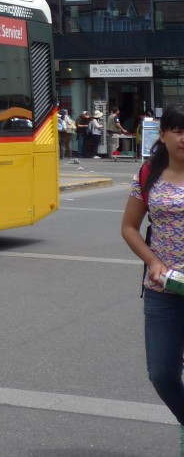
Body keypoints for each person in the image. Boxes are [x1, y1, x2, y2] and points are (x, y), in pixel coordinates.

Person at [120, 103, 184, 453]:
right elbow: (129, 227)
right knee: (161, 373)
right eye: (177, 130)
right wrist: (153, 262)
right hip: (163, 289)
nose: (183, 138)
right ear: (162, 135)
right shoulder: (148, 174)